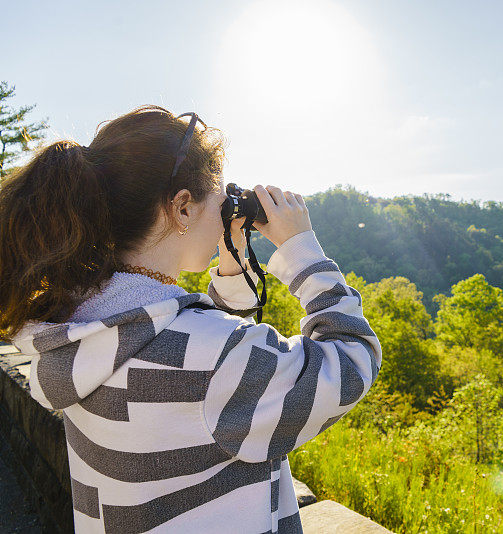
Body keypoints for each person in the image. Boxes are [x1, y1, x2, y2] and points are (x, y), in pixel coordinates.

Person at [0, 105, 382, 534]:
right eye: (219, 195)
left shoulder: (80, 327)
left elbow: (184, 358)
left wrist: (232, 272)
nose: (226, 207)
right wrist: (301, 250)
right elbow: (351, 359)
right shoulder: (212, 357)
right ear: (182, 207)